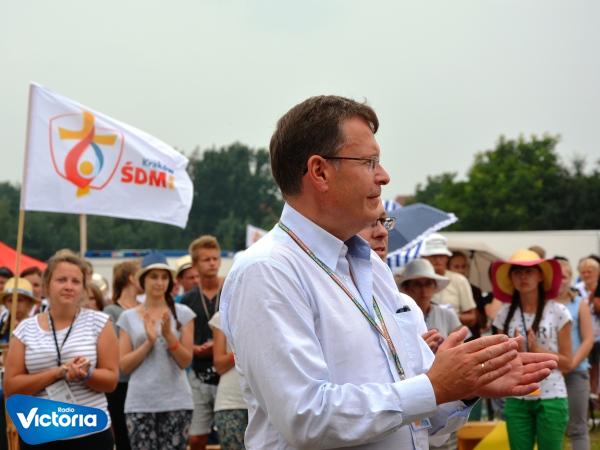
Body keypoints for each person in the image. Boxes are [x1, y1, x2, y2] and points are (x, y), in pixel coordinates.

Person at [220, 95, 557, 449]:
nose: (384, 176)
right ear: (319, 172)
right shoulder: (269, 270)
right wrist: (434, 387)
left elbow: (419, 422)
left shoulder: (370, 267)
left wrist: (464, 387)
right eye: (369, 162)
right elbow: (306, 418)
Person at [3, 254, 119, 449]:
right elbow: (11, 388)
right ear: (47, 285)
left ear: (84, 288)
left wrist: (86, 374)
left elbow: (111, 382)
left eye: (76, 281)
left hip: (91, 434)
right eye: (61, 280)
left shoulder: (99, 323)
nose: (68, 286)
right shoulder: (25, 329)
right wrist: (57, 373)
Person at [491, 249, 572, 450]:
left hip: (552, 396)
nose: (523, 277)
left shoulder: (559, 312)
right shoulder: (503, 314)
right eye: (517, 272)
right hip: (516, 396)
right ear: (511, 279)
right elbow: (499, 360)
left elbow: (568, 364)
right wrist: (513, 353)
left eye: (529, 271)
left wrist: (538, 351)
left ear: (540, 276)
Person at [118, 252, 195, 450]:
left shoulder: (183, 314)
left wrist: (169, 336)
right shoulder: (128, 317)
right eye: (153, 276)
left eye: (164, 277)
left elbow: (185, 361)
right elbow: (124, 366)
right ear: (143, 280)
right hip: (140, 401)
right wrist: (148, 343)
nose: (159, 282)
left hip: (177, 401)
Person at [182, 235, 224, 450]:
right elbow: (180, 336)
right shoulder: (187, 299)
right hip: (198, 374)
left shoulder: (231, 289)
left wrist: (219, 347)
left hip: (227, 374)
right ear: (195, 264)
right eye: (206, 259)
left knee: (231, 435)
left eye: (215, 258)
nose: (212, 263)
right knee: (196, 438)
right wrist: (193, 348)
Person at [554, 256, 593, 450]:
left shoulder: (579, 303)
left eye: (564, 276)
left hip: (576, 372)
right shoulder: (543, 304)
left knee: (578, 428)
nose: (560, 281)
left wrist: (570, 365)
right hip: (549, 372)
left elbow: (588, 339)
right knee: (551, 427)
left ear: (570, 278)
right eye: (556, 276)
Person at [104, 260, 141, 450]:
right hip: (121, 384)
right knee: (124, 437)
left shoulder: (145, 308)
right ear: (132, 278)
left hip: (143, 382)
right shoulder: (111, 311)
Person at [398, 259, 461, 351]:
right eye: (417, 285)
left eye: (428, 284)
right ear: (406, 288)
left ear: (435, 286)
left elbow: (460, 346)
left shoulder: (447, 314)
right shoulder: (399, 317)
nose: (423, 290)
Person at [421, 234, 478, 329]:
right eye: (433, 256)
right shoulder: (417, 280)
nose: (437, 259)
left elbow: (472, 317)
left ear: (447, 258)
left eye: (441, 256)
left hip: (453, 332)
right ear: (424, 258)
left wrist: (446, 316)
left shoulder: (459, 280)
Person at [209, 310, 248, 450]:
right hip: (230, 403)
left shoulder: (267, 312)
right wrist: (243, 346)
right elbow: (219, 365)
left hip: (265, 404)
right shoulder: (222, 315)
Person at [0, 278, 40, 342]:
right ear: (5, 304)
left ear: (30, 304)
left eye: (19, 300)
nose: (15, 304)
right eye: (10, 300)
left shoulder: (39, 327)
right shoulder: (1, 326)